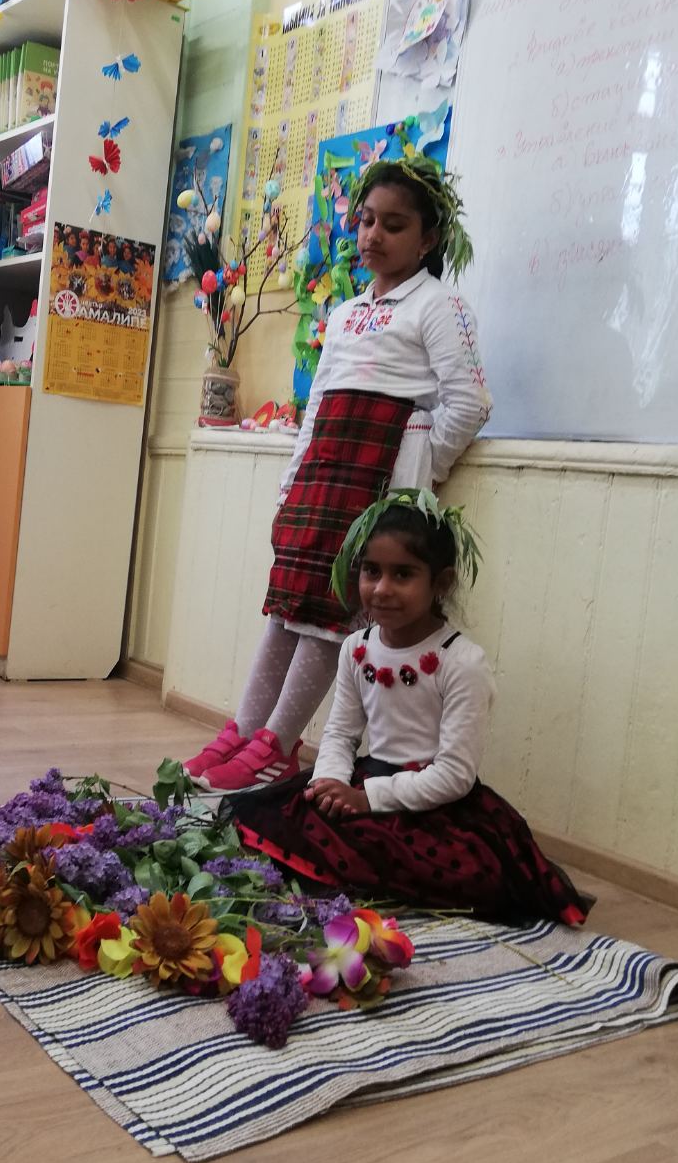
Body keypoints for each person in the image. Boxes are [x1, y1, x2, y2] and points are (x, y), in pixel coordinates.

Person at [185, 154, 492, 791]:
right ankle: (244, 729)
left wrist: (418, 468)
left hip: (377, 477)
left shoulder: (439, 305)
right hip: (324, 470)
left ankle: (278, 743)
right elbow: (320, 402)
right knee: (287, 605)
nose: (374, 235)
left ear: (428, 238)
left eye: (394, 225)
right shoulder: (348, 312)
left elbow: (468, 403)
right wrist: (290, 483)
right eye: (366, 221)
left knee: (331, 613)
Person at [227, 492, 589, 925]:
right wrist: (330, 783)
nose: (382, 589)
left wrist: (368, 799)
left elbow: (455, 774)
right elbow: (340, 734)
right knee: (275, 817)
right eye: (371, 571)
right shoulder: (356, 648)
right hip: (368, 778)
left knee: (463, 875)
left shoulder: (462, 662)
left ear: (441, 583)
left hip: (437, 804)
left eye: (403, 574)